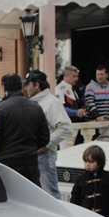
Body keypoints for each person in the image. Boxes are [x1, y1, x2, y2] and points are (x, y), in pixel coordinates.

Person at [0, 73, 50, 185]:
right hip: (30, 161)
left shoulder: (0, 108)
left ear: (4, 87)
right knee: (33, 197)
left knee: (10, 197)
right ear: (21, 86)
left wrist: (0, 153)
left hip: (8, 161)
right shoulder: (35, 107)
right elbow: (44, 137)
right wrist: (32, 147)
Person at [23, 70, 73, 199]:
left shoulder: (51, 102)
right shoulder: (35, 102)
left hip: (44, 155)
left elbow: (66, 128)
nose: (26, 88)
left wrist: (46, 143)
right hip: (34, 155)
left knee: (50, 195)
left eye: (28, 84)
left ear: (37, 85)